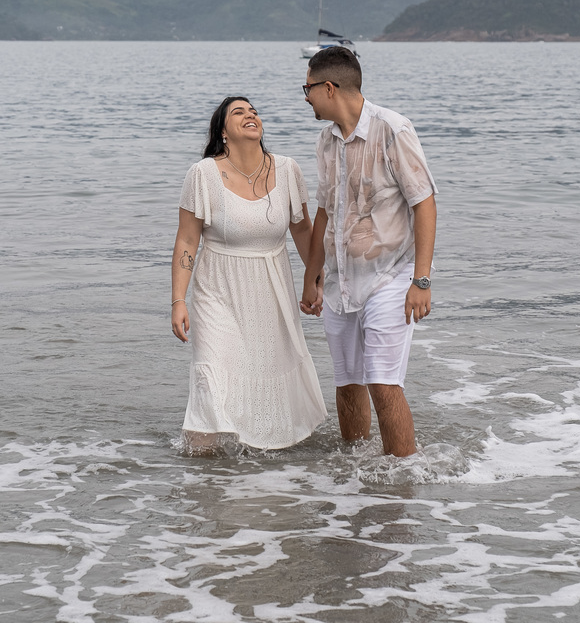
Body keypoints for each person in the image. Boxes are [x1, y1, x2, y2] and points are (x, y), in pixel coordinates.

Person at [299, 47, 437, 458]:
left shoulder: (393, 129)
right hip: (342, 281)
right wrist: (312, 274)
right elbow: (325, 210)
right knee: (348, 382)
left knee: (382, 381)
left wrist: (422, 281)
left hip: (392, 276)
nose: (305, 97)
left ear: (328, 87)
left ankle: (403, 477)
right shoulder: (326, 141)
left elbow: (424, 203)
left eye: (307, 89)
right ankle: (355, 471)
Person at [171, 96, 327, 455]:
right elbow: (187, 240)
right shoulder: (203, 174)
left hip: (270, 290)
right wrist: (179, 300)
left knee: (268, 377)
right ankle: (201, 471)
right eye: (238, 112)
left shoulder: (287, 170)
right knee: (211, 372)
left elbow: (302, 231)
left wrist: (315, 279)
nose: (250, 114)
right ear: (223, 132)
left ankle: (265, 472)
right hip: (217, 291)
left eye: (253, 110)